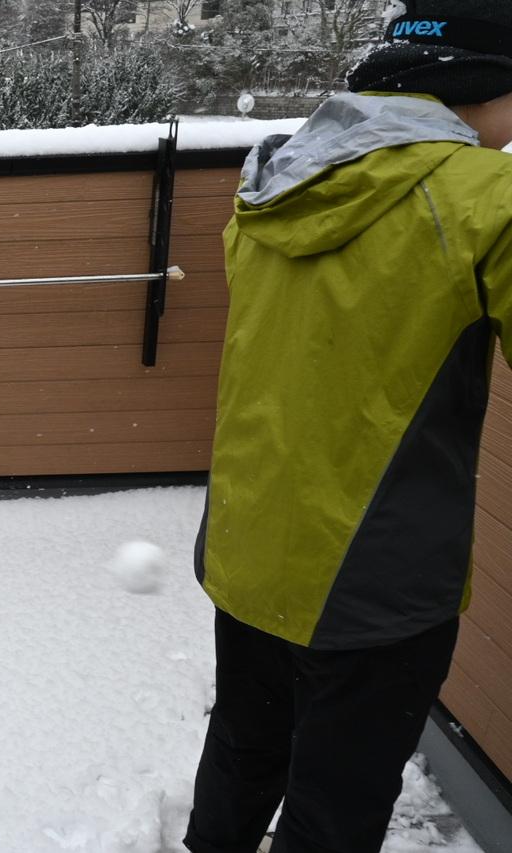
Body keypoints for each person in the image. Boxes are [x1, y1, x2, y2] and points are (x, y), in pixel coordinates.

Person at [183, 3, 512, 852]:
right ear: (486, 87)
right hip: (376, 580)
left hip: (251, 547)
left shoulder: (280, 176)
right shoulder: (488, 198)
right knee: (336, 805)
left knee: (244, 751)